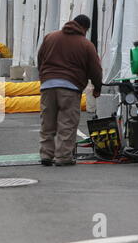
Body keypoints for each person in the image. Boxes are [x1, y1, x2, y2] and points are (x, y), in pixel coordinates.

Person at [37, 14, 103, 167]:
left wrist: (44, 78)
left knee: (47, 122)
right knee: (66, 123)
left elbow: (40, 59)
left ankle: (46, 155)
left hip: (48, 85)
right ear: (85, 28)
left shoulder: (50, 37)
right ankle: (63, 157)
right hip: (70, 87)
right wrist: (97, 88)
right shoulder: (86, 45)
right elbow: (95, 69)